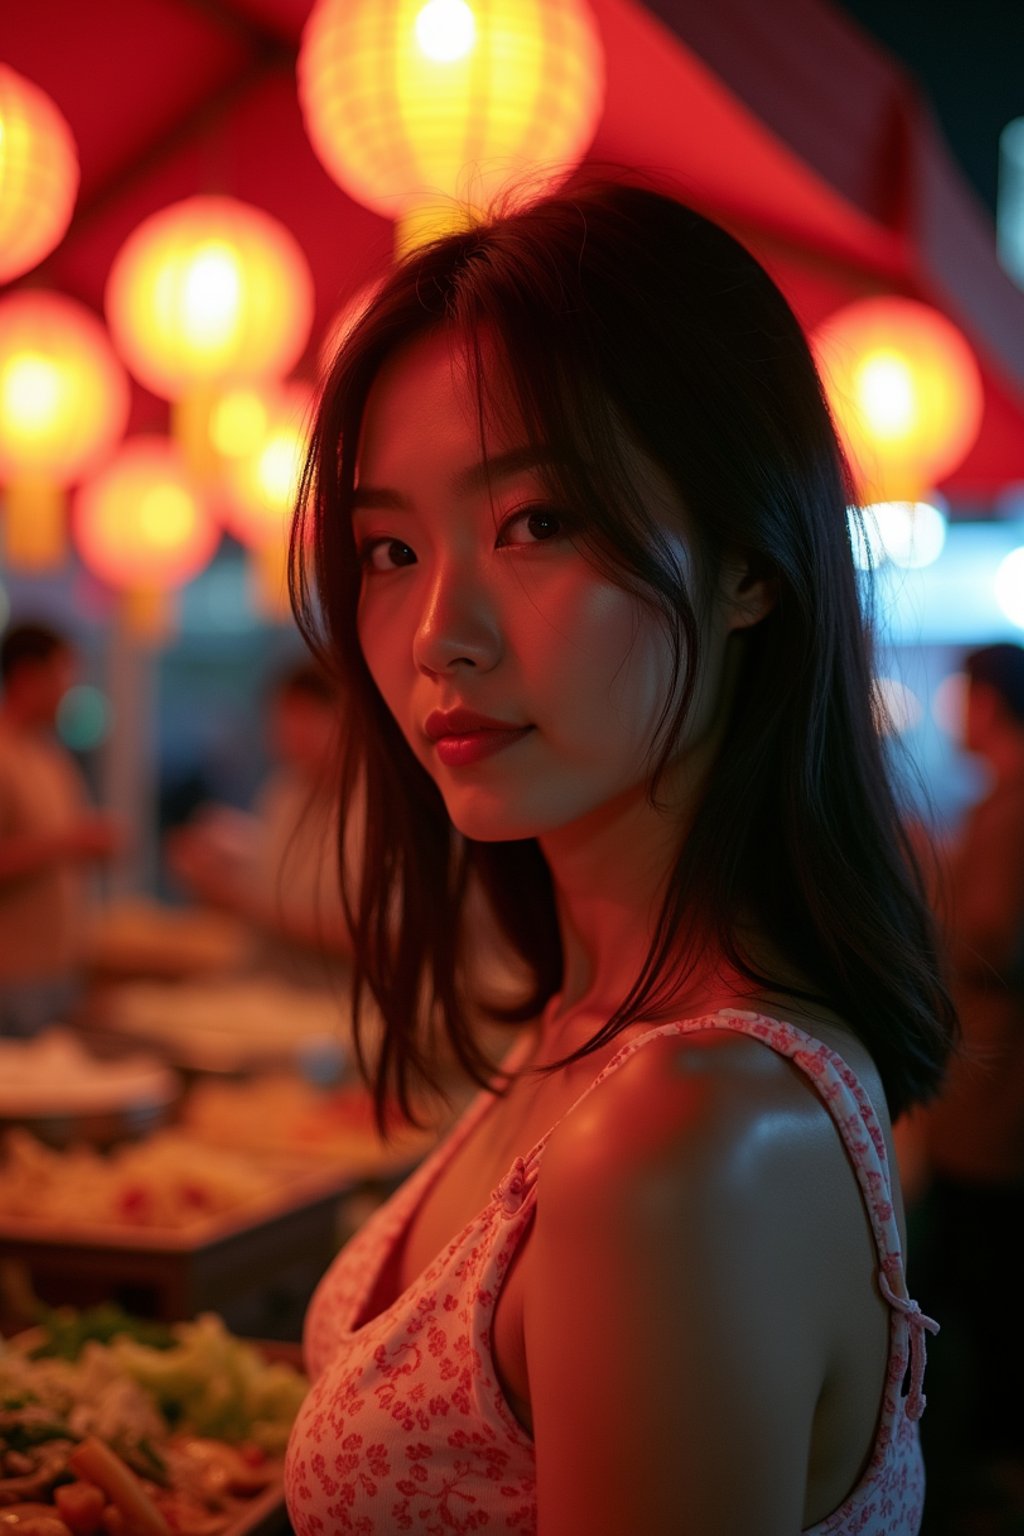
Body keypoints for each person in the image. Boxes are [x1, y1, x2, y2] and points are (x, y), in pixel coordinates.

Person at [282, 178, 956, 1535]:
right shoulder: (599, 1027)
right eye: (390, 548)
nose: (435, 635)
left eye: (538, 521)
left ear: (748, 561)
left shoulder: (686, 1141)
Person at [917, 642, 1024, 1524]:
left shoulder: (1010, 813)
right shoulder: (997, 807)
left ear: (989, 704)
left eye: (962, 696)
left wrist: (924, 906)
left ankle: (988, 1464)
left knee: (984, 1284)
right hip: (989, 1092)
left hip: (996, 1099)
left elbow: (994, 940)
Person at [166, 660, 354, 988]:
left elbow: (378, 938)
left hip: (340, 995)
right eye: (281, 718)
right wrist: (217, 873)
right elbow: (273, 880)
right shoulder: (287, 789)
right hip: (273, 984)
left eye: (302, 717)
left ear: (344, 716)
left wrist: (241, 903)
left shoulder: (374, 801)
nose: (285, 732)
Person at [0, 620, 122, 1034]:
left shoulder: (50, 755)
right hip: (12, 973)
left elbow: (65, 843)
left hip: (60, 967)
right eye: (62, 674)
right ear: (27, 677)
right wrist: (68, 844)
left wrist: (87, 844)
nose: (68, 689)